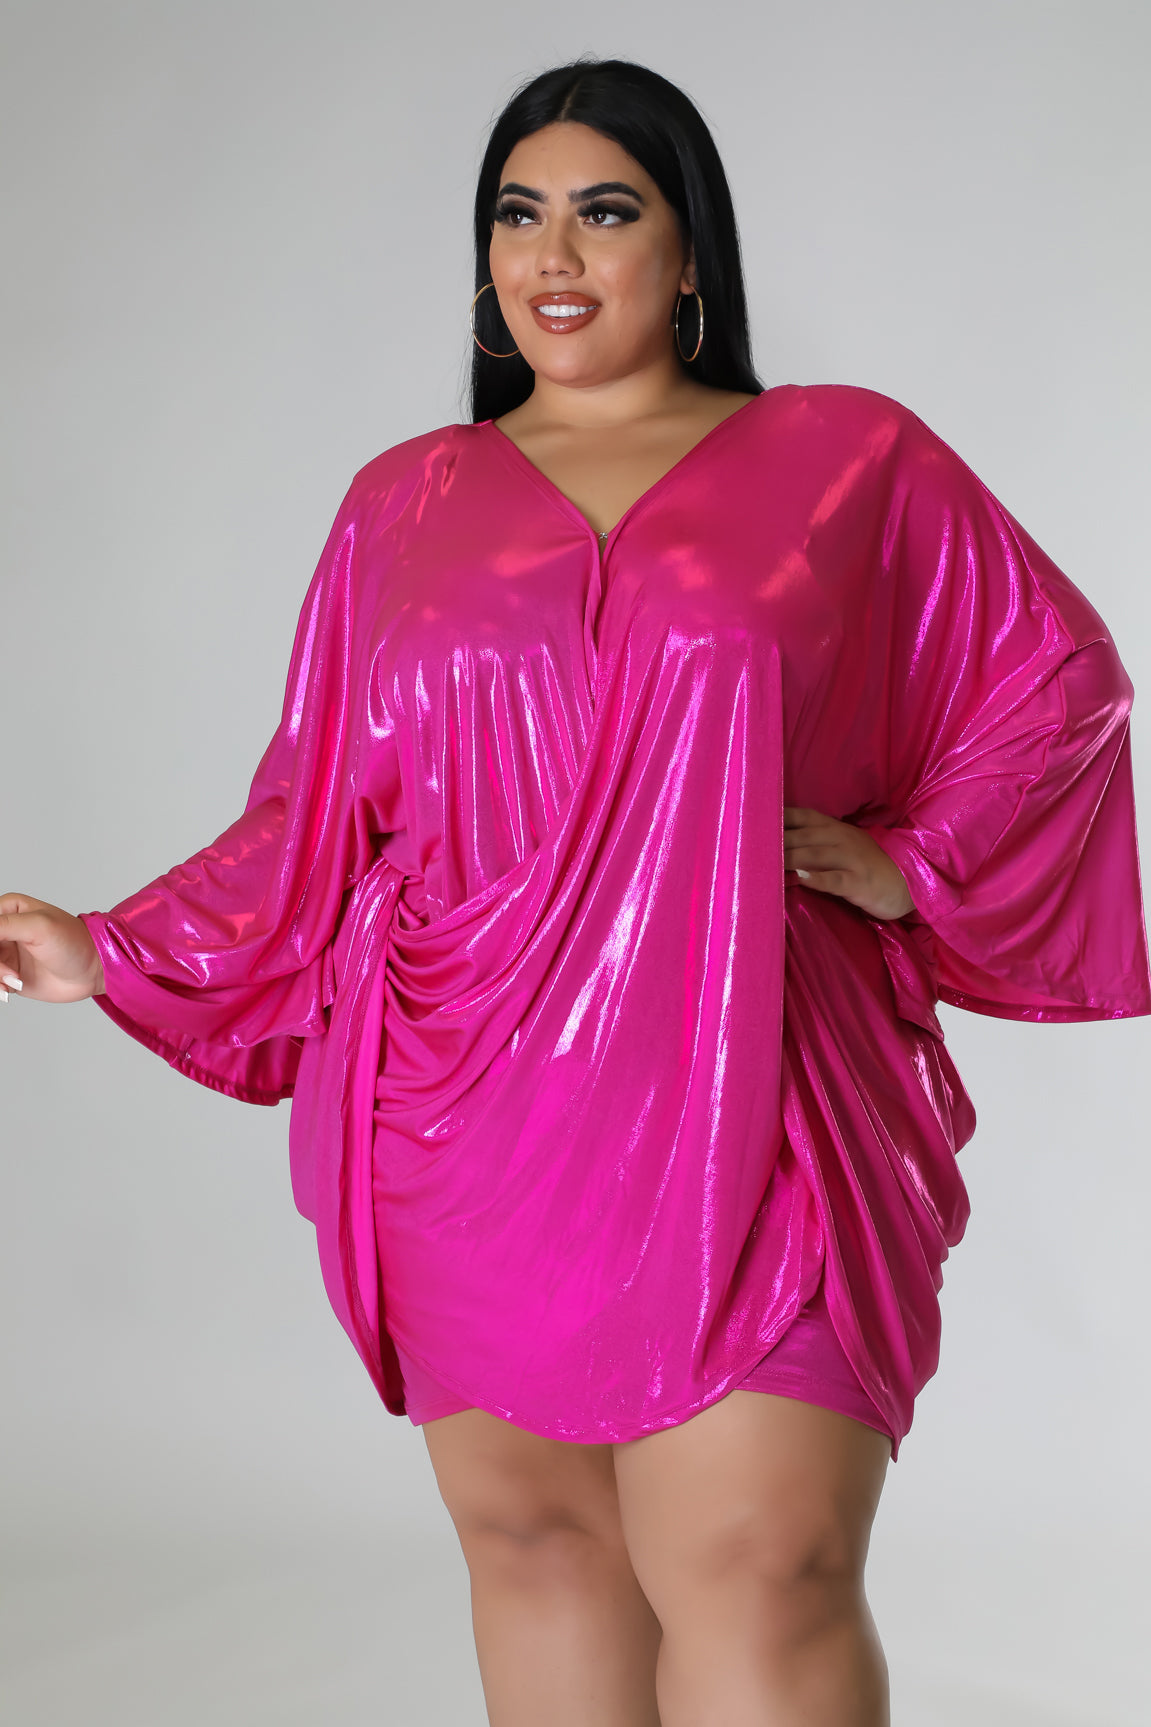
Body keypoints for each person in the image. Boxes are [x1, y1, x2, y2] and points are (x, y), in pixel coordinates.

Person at [1, 54, 1147, 1727]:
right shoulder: (405, 500)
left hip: (756, 1086)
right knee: (541, 1554)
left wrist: (913, 865)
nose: (554, 255)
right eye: (517, 216)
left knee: (763, 1569)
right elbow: (316, 817)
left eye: (606, 212)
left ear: (689, 257)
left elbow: (1053, 681)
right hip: (462, 1107)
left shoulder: (848, 459)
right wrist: (108, 946)